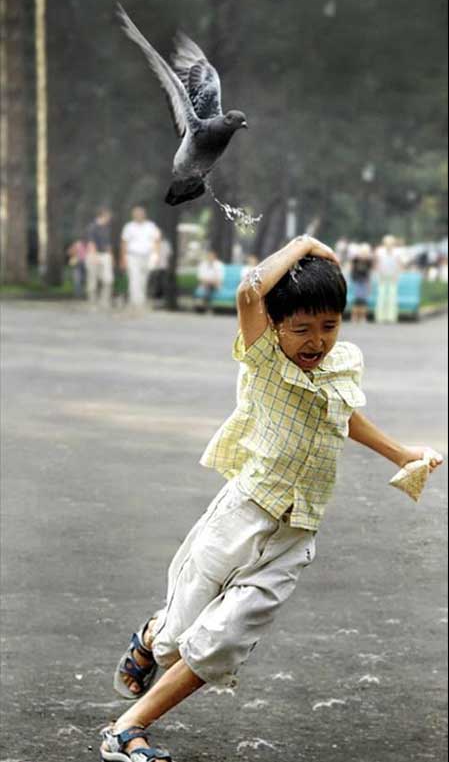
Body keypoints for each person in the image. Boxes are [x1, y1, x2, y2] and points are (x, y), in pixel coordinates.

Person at [100, 235, 443, 761]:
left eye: (329, 325)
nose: (317, 341)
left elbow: (342, 415)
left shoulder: (339, 365)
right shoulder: (263, 358)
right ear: (277, 325)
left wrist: (401, 453)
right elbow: (249, 291)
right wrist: (302, 245)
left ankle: (128, 728)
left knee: (224, 639)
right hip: (241, 515)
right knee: (175, 639)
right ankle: (151, 637)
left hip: (295, 534)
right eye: (302, 328)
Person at [121, 206, 161, 309]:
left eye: (140, 214)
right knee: (134, 279)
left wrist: (156, 255)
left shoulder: (151, 226)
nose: (138, 216)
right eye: (136, 214)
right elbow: (124, 243)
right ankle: (136, 303)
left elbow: (156, 241)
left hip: (146, 256)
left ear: (144, 215)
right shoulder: (129, 227)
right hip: (133, 256)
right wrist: (123, 258)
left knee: (143, 280)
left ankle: (140, 300)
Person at [85, 208, 115, 308]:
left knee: (108, 279)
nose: (109, 218)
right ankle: (92, 302)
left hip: (105, 255)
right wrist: (94, 256)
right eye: (108, 216)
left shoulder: (107, 228)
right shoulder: (92, 227)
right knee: (92, 280)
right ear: (102, 216)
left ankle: (104, 301)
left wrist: (111, 256)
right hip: (94, 255)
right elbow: (91, 243)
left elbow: (108, 244)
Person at [374, 235, 402, 324]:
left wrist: (396, 275)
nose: (389, 245)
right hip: (382, 277)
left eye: (390, 243)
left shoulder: (397, 252)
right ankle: (380, 317)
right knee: (381, 297)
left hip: (392, 277)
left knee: (392, 298)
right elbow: (377, 264)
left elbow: (399, 265)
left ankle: (391, 317)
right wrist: (379, 274)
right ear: (384, 243)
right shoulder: (380, 252)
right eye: (387, 243)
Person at [350, 243, 373, 323]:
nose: (364, 254)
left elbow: (369, 273)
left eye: (366, 252)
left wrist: (369, 284)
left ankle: (363, 317)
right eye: (363, 252)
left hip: (364, 281)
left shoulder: (369, 261)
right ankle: (354, 317)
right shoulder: (355, 260)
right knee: (357, 299)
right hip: (357, 280)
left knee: (363, 300)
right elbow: (352, 269)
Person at [148, 235, 172, 303]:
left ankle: (160, 295)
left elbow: (168, 255)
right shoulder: (153, 243)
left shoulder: (165, 244)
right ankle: (156, 294)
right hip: (155, 266)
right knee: (156, 281)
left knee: (161, 281)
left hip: (162, 265)